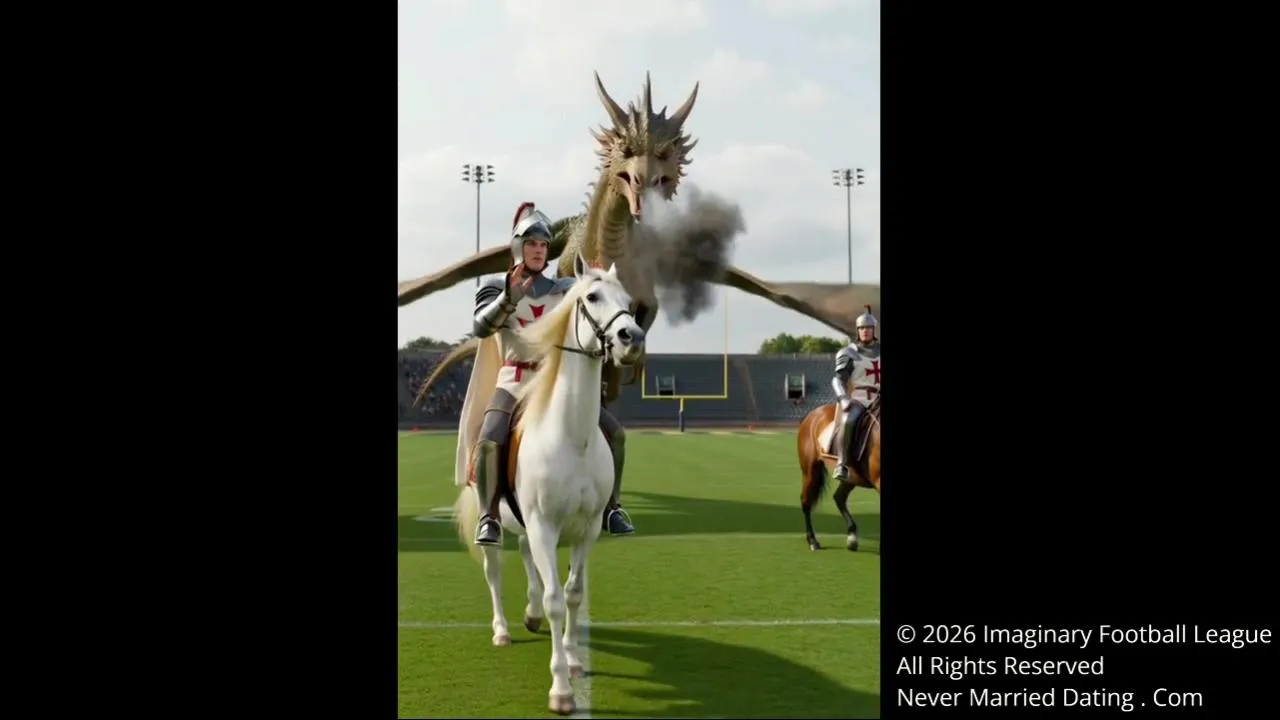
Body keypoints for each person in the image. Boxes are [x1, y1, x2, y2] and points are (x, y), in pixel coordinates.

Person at [460, 201, 636, 546]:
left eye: (543, 245)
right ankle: (488, 516)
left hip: (555, 383)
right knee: (490, 439)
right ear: (518, 247)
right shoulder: (496, 287)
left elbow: (592, 313)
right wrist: (508, 299)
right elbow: (481, 327)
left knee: (615, 433)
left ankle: (612, 507)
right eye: (532, 244)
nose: (539, 250)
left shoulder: (565, 289)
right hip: (514, 383)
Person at [831, 305, 881, 483]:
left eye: (868, 328)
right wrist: (844, 399)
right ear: (858, 331)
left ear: (874, 330)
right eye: (862, 328)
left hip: (879, 399)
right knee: (849, 420)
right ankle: (842, 464)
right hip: (859, 398)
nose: (865, 331)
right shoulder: (849, 353)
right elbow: (838, 380)